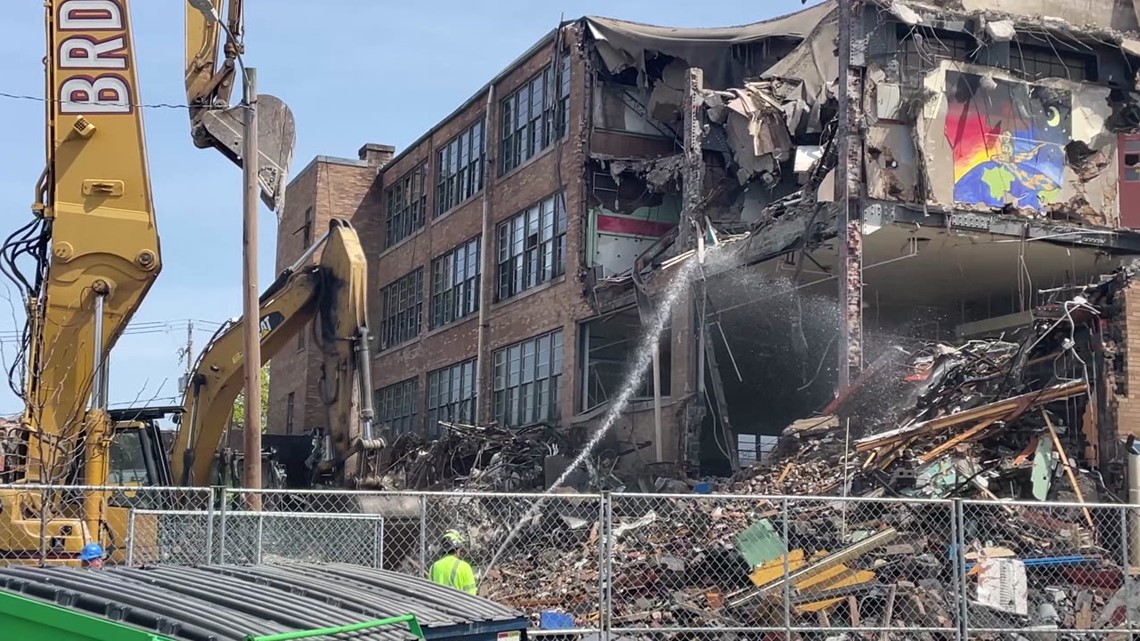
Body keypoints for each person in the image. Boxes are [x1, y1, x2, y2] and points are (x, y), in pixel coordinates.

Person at [429, 529, 477, 595]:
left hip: (436, 601)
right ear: (458, 549)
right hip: (458, 601)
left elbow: (430, 591)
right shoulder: (464, 567)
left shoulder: (433, 567)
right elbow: (471, 594)